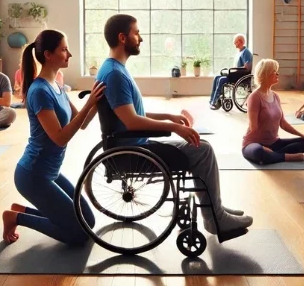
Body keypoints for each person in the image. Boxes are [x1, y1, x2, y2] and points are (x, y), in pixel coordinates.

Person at [96, 14, 253, 235]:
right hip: (134, 151)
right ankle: (214, 217)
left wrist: (168, 117)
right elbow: (131, 121)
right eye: (136, 32)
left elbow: (131, 114)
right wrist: (175, 128)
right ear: (122, 38)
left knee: (200, 147)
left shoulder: (113, 69)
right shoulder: (115, 74)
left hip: (133, 144)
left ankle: (214, 208)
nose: (140, 38)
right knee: (203, 150)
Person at [2, 30, 105, 246]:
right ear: (48, 54)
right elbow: (59, 138)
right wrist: (89, 103)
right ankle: (16, 217)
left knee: (89, 222)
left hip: (51, 172)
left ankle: (21, 211)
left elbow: (82, 122)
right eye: (64, 49)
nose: (69, 54)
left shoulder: (57, 85)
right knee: (79, 234)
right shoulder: (40, 91)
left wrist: (98, 101)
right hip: (33, 176)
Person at [243, 59, 304, 165]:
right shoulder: (254, 97)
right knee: (258, 152)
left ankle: (273, 155)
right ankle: (285, 157)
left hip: (274, 143)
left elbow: (283, 123)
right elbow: (254, 128)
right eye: (274, 71)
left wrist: (302, 135)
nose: (277, 74)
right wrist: (262, 147)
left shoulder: (275, 96)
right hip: (254, 143)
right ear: (265, 74)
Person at [210, 34, 253, 110]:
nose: (234, 44)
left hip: (240, 76)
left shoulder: (246, 52)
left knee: (221, 79)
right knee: (216, 77)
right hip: (235, 74)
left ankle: (215, 101)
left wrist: (233, 70)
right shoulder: (239, 52)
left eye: (235, 42)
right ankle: (212, 100)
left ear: (240, 41)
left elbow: (247, 68)